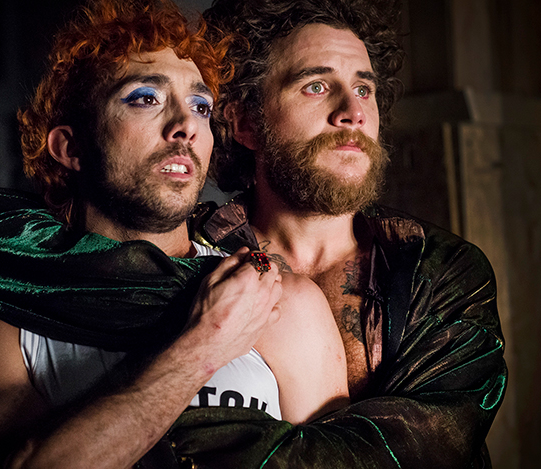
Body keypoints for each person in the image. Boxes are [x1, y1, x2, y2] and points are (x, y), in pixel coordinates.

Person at [0, 0, 349, 467]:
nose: (185, 126)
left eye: (201, 107)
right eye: (145, 98)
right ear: (71, 147)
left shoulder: (278, 302)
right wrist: (206, 344)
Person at [161, 0, 506, 467]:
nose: (353, 112)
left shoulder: (442, 271)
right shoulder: (184, 253)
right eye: (317, 86)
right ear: (244, 123)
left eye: (364, 89)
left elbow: (426, 448)